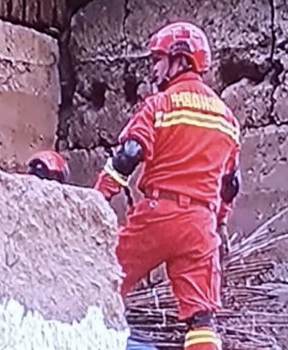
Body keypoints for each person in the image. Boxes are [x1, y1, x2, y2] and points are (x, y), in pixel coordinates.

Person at [93, 22, 241, 350]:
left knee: (100, 281)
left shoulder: (161, 105)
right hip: (201, 224)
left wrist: (97, 198)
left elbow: (129, 153)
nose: (152, 69)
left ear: (180, 60)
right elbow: (230, 185)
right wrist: (218, 224)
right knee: (201, 318)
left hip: (158, 215)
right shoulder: (227, 119)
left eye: (157, 60)